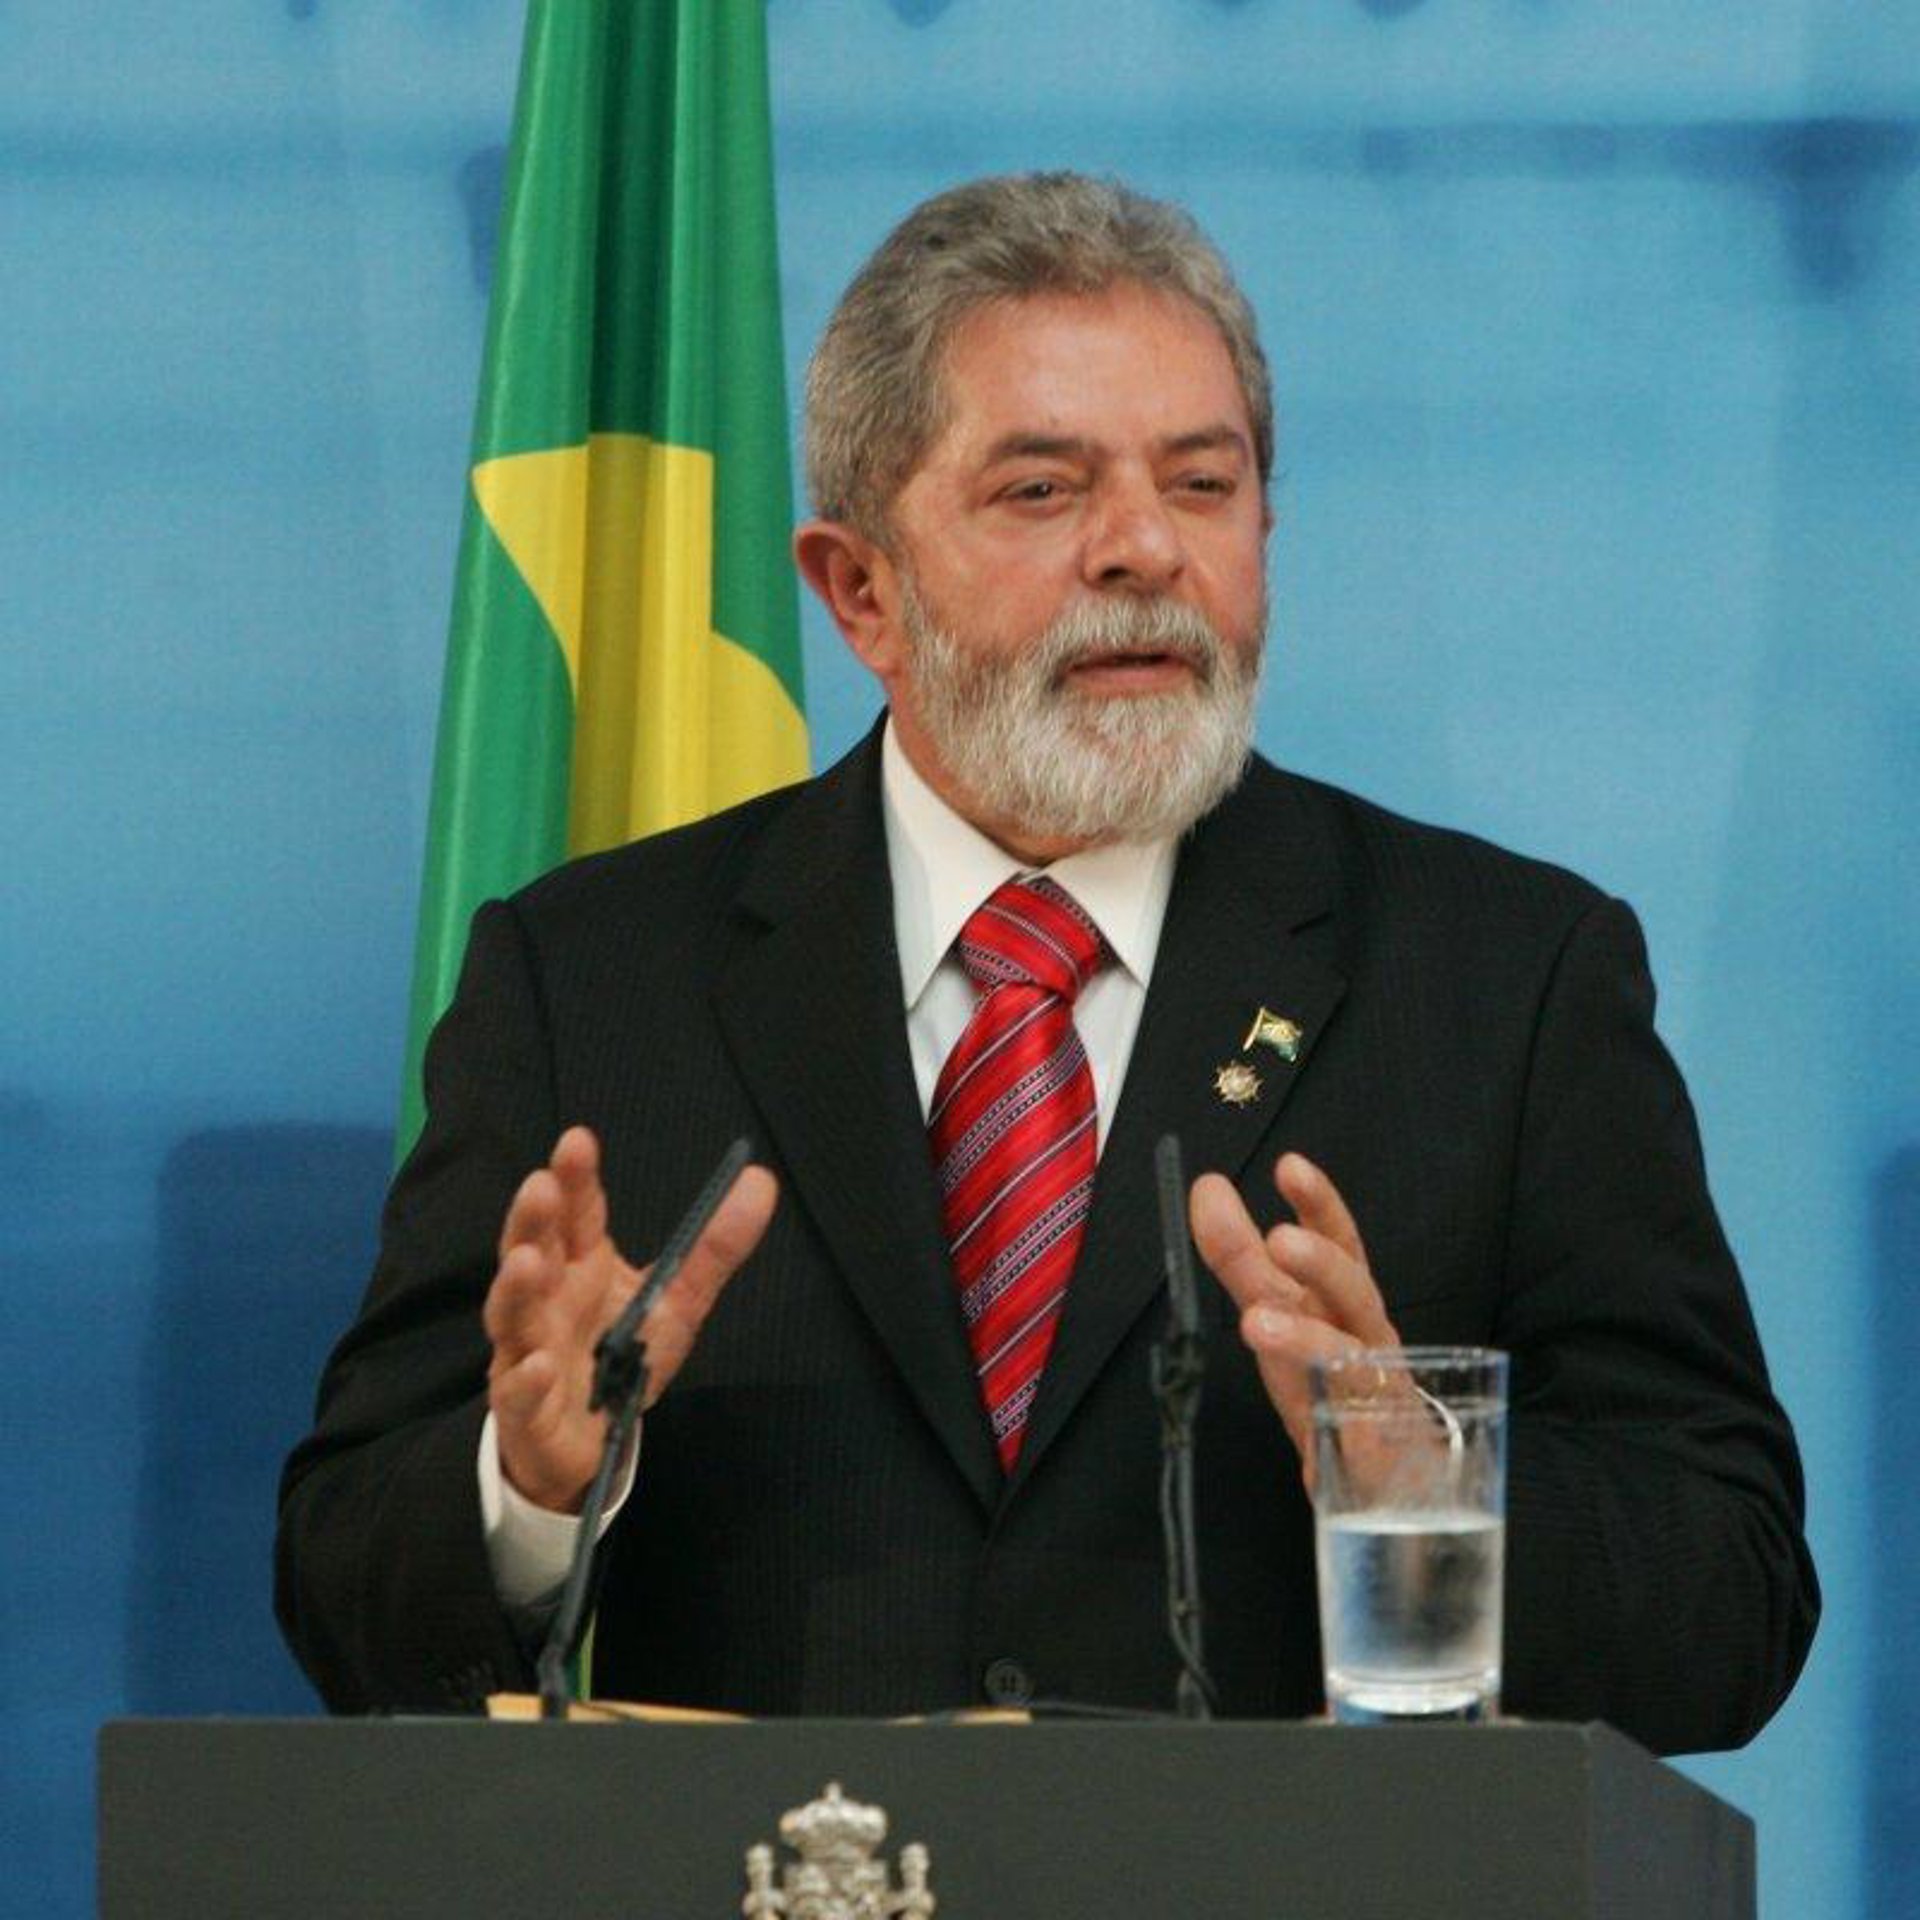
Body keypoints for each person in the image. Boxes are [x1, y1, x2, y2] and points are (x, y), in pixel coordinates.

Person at [276, 173, 1817, 1750]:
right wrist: (531, 1483)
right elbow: (342, 1592)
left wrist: (1421, 1481)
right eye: (1041, 491)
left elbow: (1733, 1597)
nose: (1143, 549)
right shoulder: (591, 979)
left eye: (1203, 484)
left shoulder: (1507, 978)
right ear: (860, 590)